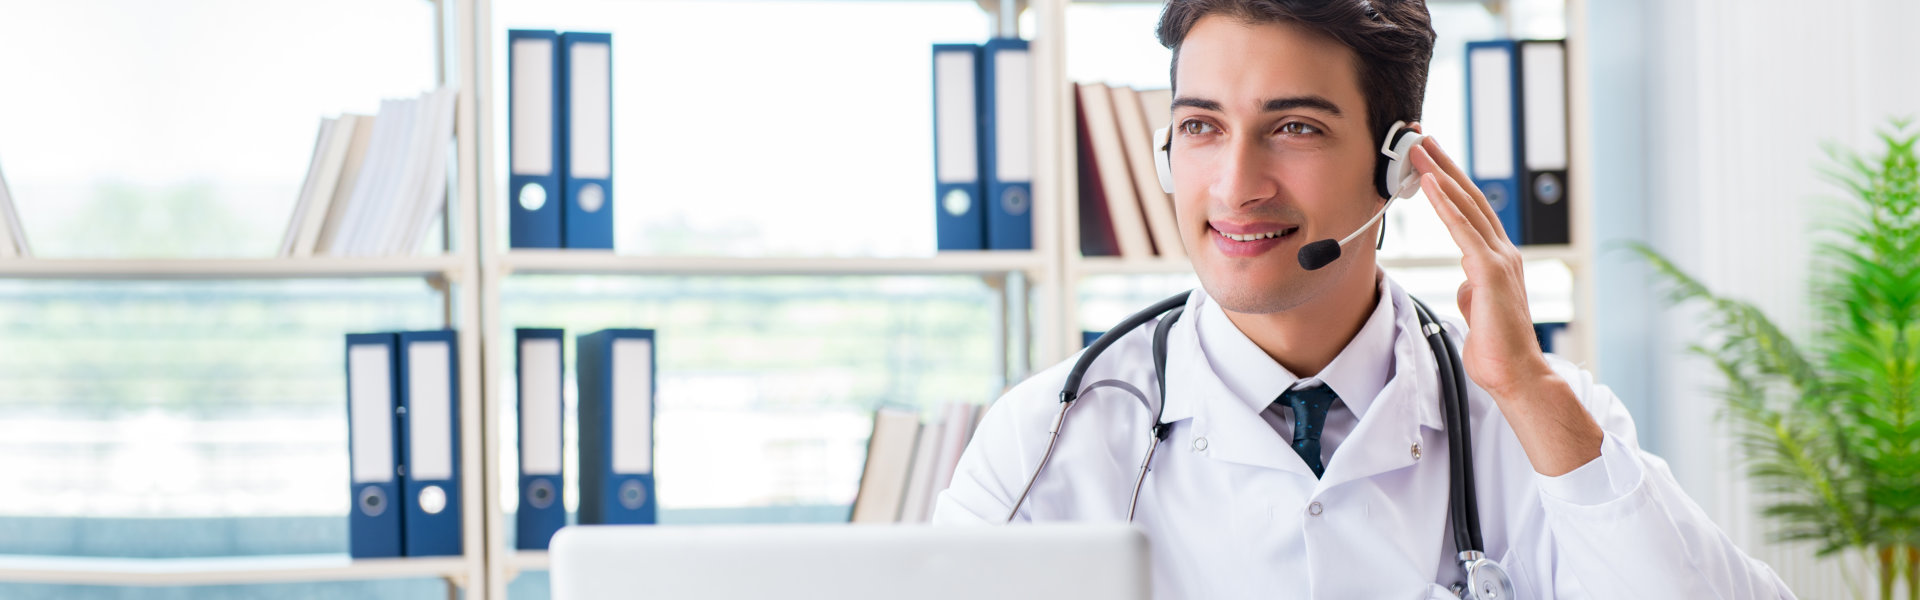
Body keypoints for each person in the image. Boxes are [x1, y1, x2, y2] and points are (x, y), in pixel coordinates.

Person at [932, 1, 1796, 598]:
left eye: (1294, 128)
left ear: (1400, 165)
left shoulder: (1540, 425)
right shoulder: (1048, 436)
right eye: (1201, 126)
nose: (1235, 187)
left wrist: (1529, 393)